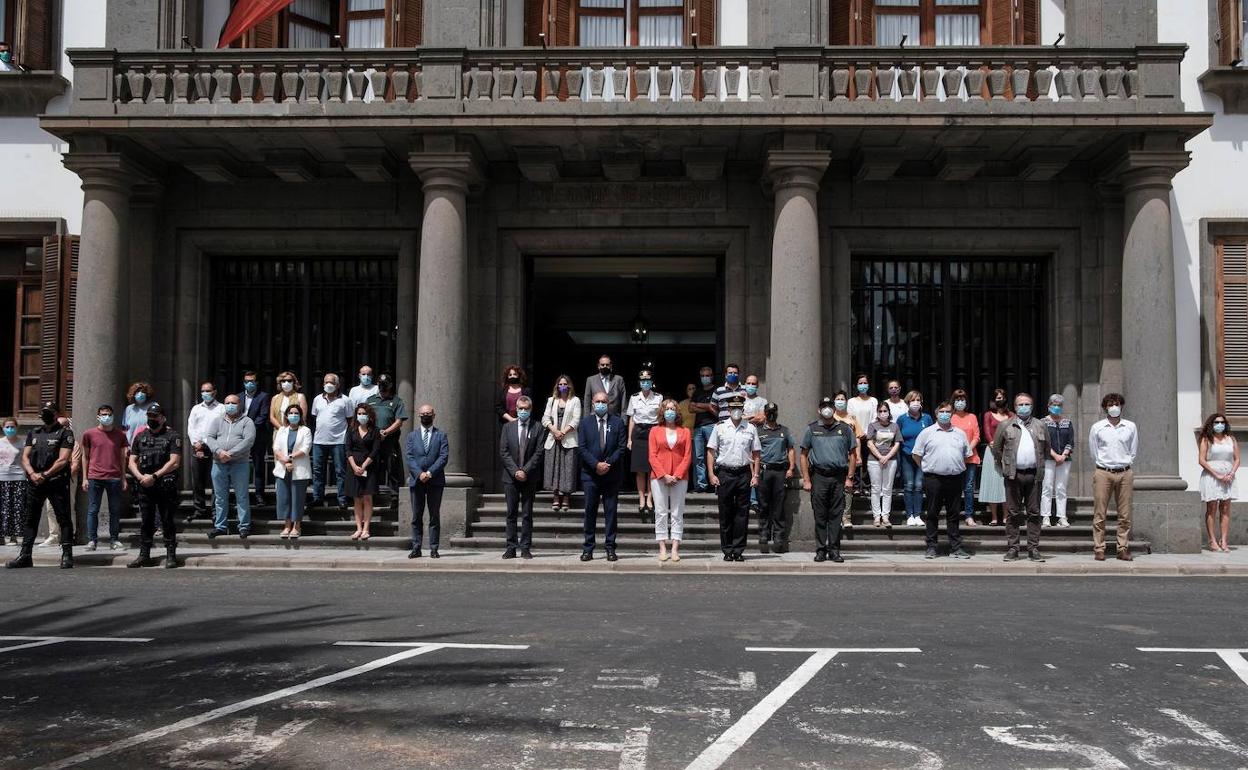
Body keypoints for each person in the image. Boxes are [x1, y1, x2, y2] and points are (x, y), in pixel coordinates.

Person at [7, 402, 75, 569]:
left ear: (56, 413)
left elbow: (63, 459)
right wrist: (32, 474)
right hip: (35, 481)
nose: (46, 415)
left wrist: (45, 475)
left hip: (56, 481)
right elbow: (25, 457)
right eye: (44, 412)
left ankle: (67, 555)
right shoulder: (34, 432)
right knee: (30, 518)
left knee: (63, 518)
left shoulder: (65, 433)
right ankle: (25, 555)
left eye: (50, 412)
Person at [991, 393, 1050, 562]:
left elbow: (1047, 448)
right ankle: (1013, 548)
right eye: (1020, 404)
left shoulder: (1040, 425)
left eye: (1027, 404)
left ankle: (1033, 548)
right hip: (1013, 475)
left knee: (1034, 512)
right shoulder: (1005, 425)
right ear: (1015, 407)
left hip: (1033, 474)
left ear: (1031, 406)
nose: (1024, 407)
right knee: (1013, 512)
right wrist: (1006, 464)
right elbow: (997, 449)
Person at [912, 402, 974, 560]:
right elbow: (916, 455)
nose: (945, 414)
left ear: (952, 413)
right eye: (942, 411)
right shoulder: (927, 433)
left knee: (953, 514)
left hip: (955, 478)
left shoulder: (960, 433)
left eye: (948, 411)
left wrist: (955, 466)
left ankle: (956, 547)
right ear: (936, 413)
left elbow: (967, 455)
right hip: (934, 478)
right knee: (932, 513)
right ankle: (931, 546)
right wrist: (927, 468)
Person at [800, 396, 856, 563]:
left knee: (836, 515)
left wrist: (850, 478)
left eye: (830, 406)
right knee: (820, 515)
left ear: (834, 409)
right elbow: (803, 455)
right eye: (824, 406)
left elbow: (853, 455)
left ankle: (834, 550)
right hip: (819, 477)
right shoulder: (811, 429)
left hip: (838, 477)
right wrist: (806, 479)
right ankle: (820, 549)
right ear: (819, 410)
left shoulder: (845, 429)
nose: (827, 409)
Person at [126, 403, 183, 568]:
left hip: (164, 484)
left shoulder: (172, 436)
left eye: (155, 416)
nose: (152, 419)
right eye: (150, 416)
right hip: (145, 484)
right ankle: (144, 555)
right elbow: (131, 462)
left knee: (167, 520)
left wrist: (155, 476)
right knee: (146, 521)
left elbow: (175, 462)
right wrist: (140, 477)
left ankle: (170, 554)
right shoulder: (140, 436)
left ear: (163, 418)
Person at [708, 394, 761, 563]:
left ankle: (738, 550)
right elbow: (711, 451)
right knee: (725, 512)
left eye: (739, 408)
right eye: (733, 408)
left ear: (742, 409)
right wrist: (711, 474)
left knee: (742, 513)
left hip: (743, 473)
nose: (736, 411)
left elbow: (756, 453)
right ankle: (727, 549)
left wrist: (756, 475)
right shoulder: (720, 427)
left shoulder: (750, 428)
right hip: (725, 473)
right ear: (729, 410)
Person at [1088, 393, 1138, 561]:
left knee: (1124, 514)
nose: (1114, 407)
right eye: (1110, 404)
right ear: (1105, 407)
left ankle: (1122, 548)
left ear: (1121, 406)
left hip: (1124, 472)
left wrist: (1125, 463)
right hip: (1103, 471)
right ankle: (1099, 548)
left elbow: (1133, 450)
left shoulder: (1130, 426)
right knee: (1099, 513)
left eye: (1116, 404)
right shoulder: (1097, 427)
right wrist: (1104, 464)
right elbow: (1093, 451)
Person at [578, 391, 626, 561]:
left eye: (603, 401)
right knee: (590, 512)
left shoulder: (618, 422)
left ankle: (610, 547)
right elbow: (582, 448)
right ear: (592, 403)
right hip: (590, 475)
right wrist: (596, 464)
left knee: (611, 513)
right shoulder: (585, 423)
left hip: (611, 475)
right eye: (597, 401)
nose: (600, 404)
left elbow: (621, 448)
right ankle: (588, 548)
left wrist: (607, 464)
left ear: (609, 403)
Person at [500, 396, 545, 559]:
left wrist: (525, 470)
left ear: (530, 409)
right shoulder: (508, 427)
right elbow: (503, 452)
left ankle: (525, 547)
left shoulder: (538, 427)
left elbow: (539, 452)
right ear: (516, 409)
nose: (523, 411)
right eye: (520, 408)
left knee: (527, 514)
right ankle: (511, 547)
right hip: (510, 478)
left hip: (530, 477)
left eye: (526, 409)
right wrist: (515, 471)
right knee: (511, 513)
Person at [205, 394, 256, 539]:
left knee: (242, 496)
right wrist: (219, 452)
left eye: (233, 403)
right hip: (218, 463)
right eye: (227, 403)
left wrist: (231, 454)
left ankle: (244, 526)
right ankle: (220, 526)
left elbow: (248, 441)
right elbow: (210, 437)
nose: (230, 405)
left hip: (239, 463)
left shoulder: (247, 421)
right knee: (220, 497)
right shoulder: (217, 420)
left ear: (239, 405)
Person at [80, 404, 129, 552]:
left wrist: (123, 477)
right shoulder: (89, 434)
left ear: (113, 416)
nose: (106, 417)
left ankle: (114, 539)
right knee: (93, 510)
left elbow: (122, 458)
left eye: (108, 414)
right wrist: (85, 477)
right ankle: (92, 540)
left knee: (114, 510)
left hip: (114, 476)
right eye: (103, 414)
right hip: (95, 476)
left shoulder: (120, 435)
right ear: (98, 416)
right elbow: (85, 457)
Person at [649, 399, 692, 563]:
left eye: (673, 408)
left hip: (679, 477)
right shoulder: (654, 431)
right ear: (662, 412)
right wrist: (663, 474)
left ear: (677, 412)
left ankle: (675, 548)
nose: (670, 411)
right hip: (659, 477)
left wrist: (678, 474)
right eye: (667, 409)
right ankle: (662, 547)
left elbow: (688, 456)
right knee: (660, 512)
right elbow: (652, 455)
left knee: (676, 512)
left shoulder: (685, 431)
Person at [406, 404, 448, 558]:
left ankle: (434, 548)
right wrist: (419, 473)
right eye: (423, 414)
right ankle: (416, 547)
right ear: (419, 416)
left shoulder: (441, 435)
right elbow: (409, 457)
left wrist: (429, 473)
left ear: (434, 415)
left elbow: (443, 457)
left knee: (434, 516)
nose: (425, 416)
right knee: (416, 516)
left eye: (428, 413)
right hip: (417, 481)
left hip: (435, 480)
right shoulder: (412, 436)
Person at [757, 402, 796, 553]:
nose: (771, 414)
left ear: (777, 413)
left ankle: (779, 538)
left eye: (774, 411)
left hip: (780, 472)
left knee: (779, 506)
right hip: (764, 472)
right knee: (764, 505)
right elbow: (754, 453)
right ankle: (764, 534)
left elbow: (791, 449)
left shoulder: (784, 431)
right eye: (769, 412)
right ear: (765, 414)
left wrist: (791, 468)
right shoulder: (758, 431)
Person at [1198, 413, 1239, 552]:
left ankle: (1224, 540)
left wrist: (1231, 473)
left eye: (1222, 422)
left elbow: (1237, 459)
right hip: (1212, 475)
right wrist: (1217, 475)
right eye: (1216, 422)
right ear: (1211, 424)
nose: (1219, 424)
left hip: (1228, 476)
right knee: (1212, 508)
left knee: (1226, 508)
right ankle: (1212, 540)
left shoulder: (1231, 439)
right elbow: (1201, 460)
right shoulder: (1206, 439)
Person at [310, 373, 352, 510]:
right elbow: (314, 417)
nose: (329, 385)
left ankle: (342, 498)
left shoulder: (345, 400)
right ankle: (317, 498)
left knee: (340, 471)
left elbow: (350, 420)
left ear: (338, 385)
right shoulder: (317, 399)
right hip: (319, 441)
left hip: (338, 440)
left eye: (332, 382)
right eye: (326, 382)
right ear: (323, 384)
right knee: (317, 471)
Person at [367, 373, 409, 506]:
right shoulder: (370, 400)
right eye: (380, 384)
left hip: (389, 440)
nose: (382, 387)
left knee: (392, 467)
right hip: (373, 440)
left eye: (385, 385)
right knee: (373, 467)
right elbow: (365, 418)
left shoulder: (396, 401)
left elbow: (399, 421)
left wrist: (386, 432)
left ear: (390, 385)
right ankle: (372, 493)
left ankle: (394, 495)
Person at [541, 375, 581, 513]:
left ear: (569, 386)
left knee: (567, 470)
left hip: (568, 440)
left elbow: (576, 420)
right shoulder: (551, 400)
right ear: (557, 386)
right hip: (553, 439)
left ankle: (566, 498)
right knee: (555, 469)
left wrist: (562, 432)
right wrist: (554, 431)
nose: (562, 386)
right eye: (560, 384)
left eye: (565, 384)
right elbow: (545, 418)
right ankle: (556, 497)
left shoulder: (575, 401)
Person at [626, 369, 663, 517]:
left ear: (651, 382)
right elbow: (632, 419)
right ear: (639, 383)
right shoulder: (634, 397)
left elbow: (661, 418)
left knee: (652, 468)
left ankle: (650, 498)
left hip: (653, 431)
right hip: (639, 433)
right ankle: (641, 497)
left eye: (648, 381)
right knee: (640, 469)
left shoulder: (658, 397)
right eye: (643, 381)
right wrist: (629, 439)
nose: (645, 383)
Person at [272, 403, 312, 539]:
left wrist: (290, 458)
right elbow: (276, 448)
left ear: (300, 416)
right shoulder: (281, 430)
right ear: (286, 416)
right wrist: (285, 461)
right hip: (283, 468)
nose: (293, 416)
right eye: (291, 413)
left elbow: (306, 449)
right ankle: (287, 525)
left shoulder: (305, 430)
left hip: (299, 468)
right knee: (283, 498)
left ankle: (297, 526)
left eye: (296, 413)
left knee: (297, 498)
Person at [187, 380, 223, 522]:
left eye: (208, 391)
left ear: (214, 392)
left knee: (216, 481)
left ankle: (215, 511)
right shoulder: (196, 408)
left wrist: (209, 444)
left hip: (215, 448)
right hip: (198, 447)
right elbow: (191, 427)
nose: (205, 394)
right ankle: (199, 509)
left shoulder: (221, 408)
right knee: (197, 481)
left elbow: (222, 428)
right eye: (203, 391)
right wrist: (196, 443)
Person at [345, 402, 382, 540]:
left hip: (369, 467)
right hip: (353, 467)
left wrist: (364, 465)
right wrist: (354, 466)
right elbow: (347, 449)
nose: (361, 416)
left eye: (364, 414)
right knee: (357, 499)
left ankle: (366, 528)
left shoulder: (375, 430)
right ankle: (358, 529)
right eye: (359, 414)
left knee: (367, 497)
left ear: (369, 415)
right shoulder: (351, 430)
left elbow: (375, 450)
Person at [896, 391, 934, 527]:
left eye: (918, 400)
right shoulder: (902, 419)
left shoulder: (927, 418)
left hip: (922, 457)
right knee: (909, 485)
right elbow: (898, 438)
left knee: (919, 486)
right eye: (912, 400)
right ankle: (909, 515)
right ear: (907, 403)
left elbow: (932, 436)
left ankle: (917, 515)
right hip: (907, 456)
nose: (916, 403)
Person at [1041, 394, 1075, 528]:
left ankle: (1061, 516)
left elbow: (1071, 441)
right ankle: (1046, 516)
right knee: (1047, 487)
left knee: (1061, 488)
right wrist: (1055, 455)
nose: (1056, 407)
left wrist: (1064, 455)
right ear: (1049, 406)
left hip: (1064, 460)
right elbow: (1042, 441)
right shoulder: (1043, 422)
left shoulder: (1067, 422)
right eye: (1054, 404)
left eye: (1059, 405)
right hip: (1049, 459)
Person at [238, 371, 272, 507]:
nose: (249, 383)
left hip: (257, 436)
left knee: (258, 467)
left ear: (256, 382)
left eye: (252, 381)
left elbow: (263, 416)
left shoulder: (263, 397)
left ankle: (259, 495)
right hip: (240, 437)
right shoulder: (238, 397)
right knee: (240, 466)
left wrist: (248, 428)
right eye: (247, 381)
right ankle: (241, 495)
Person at [979, 388, 1012, 526]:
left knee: (1005, 484)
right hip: (991, 451)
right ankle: (993, 516)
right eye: (997, 397)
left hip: (1007, 451)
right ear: (993, 400)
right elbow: (986, 429)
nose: (1000, 399)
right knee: (993, 483)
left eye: (1002, 397)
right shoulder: (988, 414)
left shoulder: (1011, 415)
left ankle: (1005, 516)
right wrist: (992, 442)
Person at [949, 388, 981, 527]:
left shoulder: (972, 417)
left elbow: (976, 436)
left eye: (962, 400)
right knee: (954, 487)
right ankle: (953, 514)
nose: (960, 402)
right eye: (957, 400)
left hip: (970, 457)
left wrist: (967, 449)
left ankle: (969, 515)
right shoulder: (950, 416)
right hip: (954, 458)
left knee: (968, 488)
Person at [865, 401, 900, 527]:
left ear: (889, 412)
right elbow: (869, 443)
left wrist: (887, 457)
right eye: (880, 411)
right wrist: (880, 457)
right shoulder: (872, 426)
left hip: (891, 460)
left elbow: (897, 443)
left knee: (887, 489)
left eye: (885, 411)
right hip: (874, 460)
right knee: (875, 489)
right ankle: (876, 516)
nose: (883, 413)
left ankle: (885, 516)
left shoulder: (894, 426)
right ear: (877, 413)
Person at [830, 391, 861, 528]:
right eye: (838, 399)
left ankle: (846, 517)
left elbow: (858, 438)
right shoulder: (830, 418)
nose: (840, 401)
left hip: (849, 458)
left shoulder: (852, 419)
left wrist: (858, 455)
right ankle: (834, 516)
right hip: (833, 457)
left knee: (848, 487)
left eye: (843, 399)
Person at [848, 374, 879, 495]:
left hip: (869, 436)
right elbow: (851, 418)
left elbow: (875, 418)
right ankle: (856, 485)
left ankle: (865, 485)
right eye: (860, 383)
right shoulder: (851, 401)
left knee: (867, 461)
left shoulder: (873, 401)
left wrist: (867, 433)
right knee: (855, 459)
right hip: (855, 435)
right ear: (856, 386)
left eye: (865, 383)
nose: (863, 385)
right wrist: (858, 432)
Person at [689, 366, 718, 492]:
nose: (705, 378)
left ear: (712, 376)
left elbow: (716, 410)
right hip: (698, 427)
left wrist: (700, 406)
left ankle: (715, 483)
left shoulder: (717, 391)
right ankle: (701, 485)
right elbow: (691, 408)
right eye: (703, 376)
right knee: (698, 457)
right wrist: (708, 407)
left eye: (707, 375)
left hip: (712, 426)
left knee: (714, 455)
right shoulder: (697, 392)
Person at [1, 417, 26, 545]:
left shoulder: (22, 443)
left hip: (18, 477)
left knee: (16, 508)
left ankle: (13, 536)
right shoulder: (0, 443)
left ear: (17, 428)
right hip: (2, 478)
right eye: (7, 427)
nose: (10, 429)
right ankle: (2, 535)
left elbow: (26, 460)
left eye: (12, 427)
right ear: (3, 428)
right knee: (3, 508)